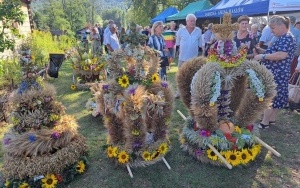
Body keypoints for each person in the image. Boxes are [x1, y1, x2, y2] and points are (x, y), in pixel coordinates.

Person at [253, 15, 297, 129]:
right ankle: (271, 119)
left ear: (281, 26)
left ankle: (264, 122)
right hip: (279, 72)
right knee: (276, 97)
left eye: (273, 28)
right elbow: (274, 52)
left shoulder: (287, 38)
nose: (272, 31)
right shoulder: (285, 37)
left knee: (270, 97)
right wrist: (261, 51)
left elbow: (281, 55)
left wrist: (262, 56)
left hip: (277, 72)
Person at [175, 14, 202, 98]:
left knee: (193, 76)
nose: (193, 22)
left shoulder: (198, 31)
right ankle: (178, 92)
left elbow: (201, 45)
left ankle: (192, 93)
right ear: (187, 21)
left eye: (194, 21)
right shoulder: (180, 31)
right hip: (182, 58)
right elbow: (178, 44)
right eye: (191, 21)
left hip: (193, 59)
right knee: (181, 76)